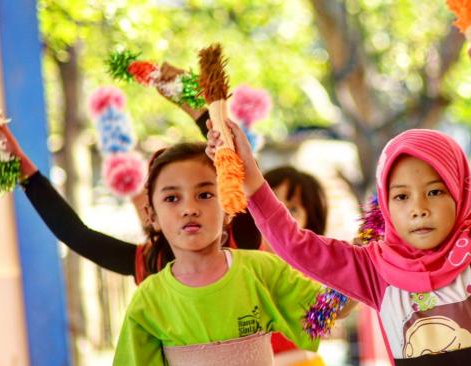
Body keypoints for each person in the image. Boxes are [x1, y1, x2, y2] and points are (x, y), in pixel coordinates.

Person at [208, 32, 471, 365]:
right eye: (401, 197)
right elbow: (296, 245)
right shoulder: (375, 270)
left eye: (435, 192)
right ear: (386, 206)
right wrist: (249, 177)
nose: (419, 209)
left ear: (460, 193)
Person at [112, 142, 344, 365]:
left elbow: (328, 310)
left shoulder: (263, 270)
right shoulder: (148, 301)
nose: (189, 209)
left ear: (229, 207)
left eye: (204, 195)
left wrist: (370, 249)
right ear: (152, 216)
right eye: (172, 198)